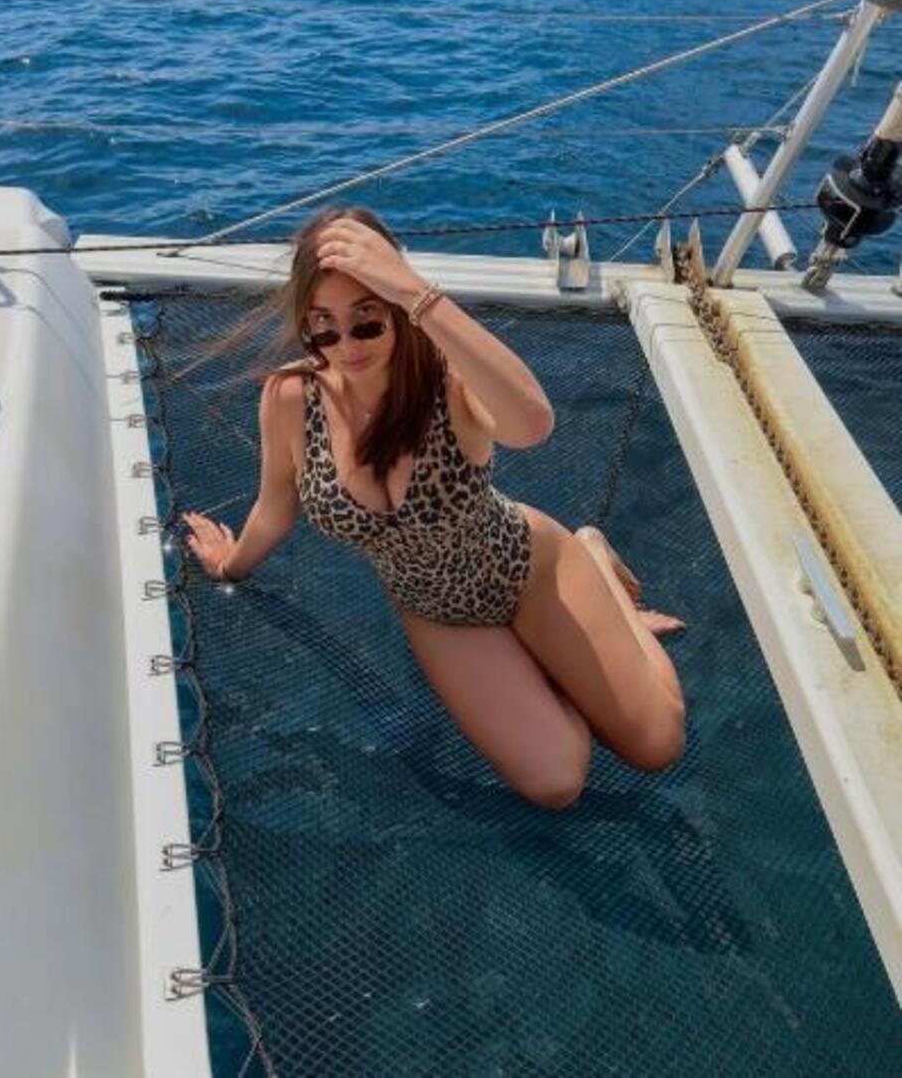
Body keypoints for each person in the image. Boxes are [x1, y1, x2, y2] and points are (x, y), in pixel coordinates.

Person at [183, 206, 686, 810]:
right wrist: (229, 564)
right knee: (557, 783)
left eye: (367, 320)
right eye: (324, 328)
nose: (347, 345)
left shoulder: (448, 381)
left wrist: (414, 289)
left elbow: (532, 424)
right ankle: (565, 653)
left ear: (395, 306)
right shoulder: (292, 396)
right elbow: (276, 505)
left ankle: (593, 559)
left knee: (656, 746)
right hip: (438, 611)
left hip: (528, 567)